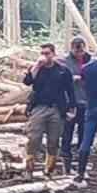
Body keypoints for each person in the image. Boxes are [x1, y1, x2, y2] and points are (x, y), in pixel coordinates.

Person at [22, 42, 76, 178]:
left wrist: (72, 108)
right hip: (39, 107)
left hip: (57, 109)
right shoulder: (36, 68)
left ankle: (49, 170)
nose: (44, 56)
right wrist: (36, 66)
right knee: (33, 138)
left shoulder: (63, 70)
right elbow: (27, 81)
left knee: (53, 140)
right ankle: (29, 169)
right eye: (42, 53)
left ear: (53, 54)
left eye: (47, 53)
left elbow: (70, 91)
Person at [74, 44, 97, 186]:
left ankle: (80, 174)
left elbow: (83, 84)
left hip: (92, 106)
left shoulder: (86, 68)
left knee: (86, 140)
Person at [59, 35, 92, 174]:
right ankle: (66, 164)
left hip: (87, 102)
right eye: (76, 50)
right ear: (72, 49)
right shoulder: (65, 62)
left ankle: (81, 163)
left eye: (81, 50)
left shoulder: (91, 61)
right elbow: (60, 81)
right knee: (67, 133)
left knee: (84, 134)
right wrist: (71, 79)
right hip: (70, 103)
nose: (79, 53)